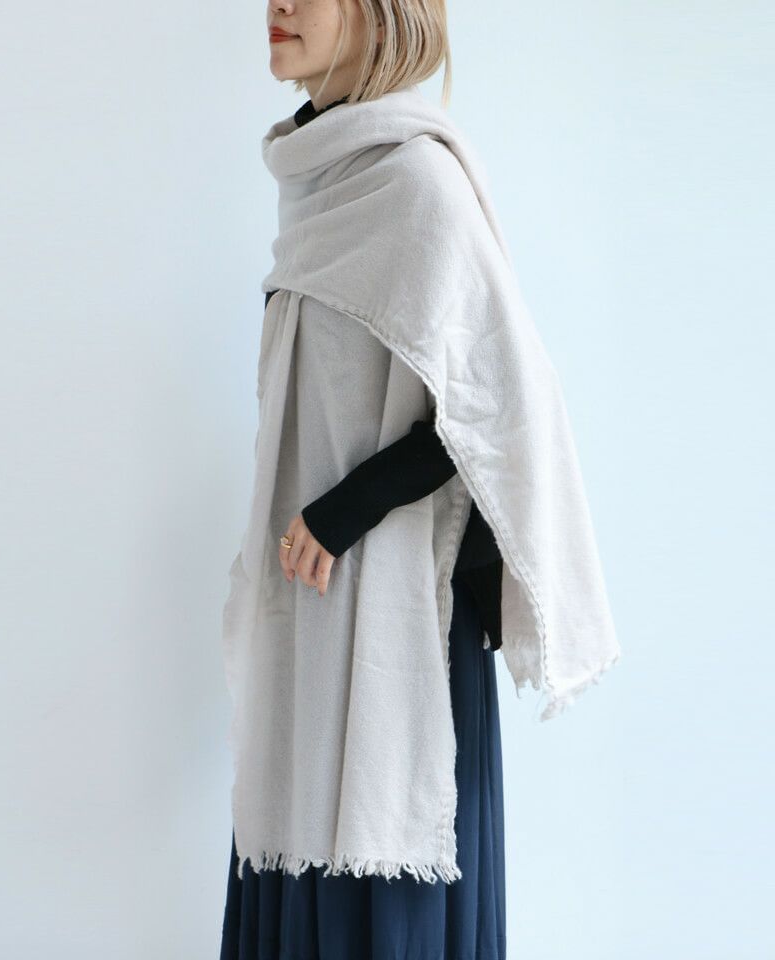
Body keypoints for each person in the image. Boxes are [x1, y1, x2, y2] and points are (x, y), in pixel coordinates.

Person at [220, 0, 620, 957]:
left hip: (404, 615)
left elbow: (503, 400)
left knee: (384, 862)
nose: (277, 6)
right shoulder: (316, 185)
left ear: (380, 13)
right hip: (313, 614)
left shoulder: (417, 184)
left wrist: (348, 506)